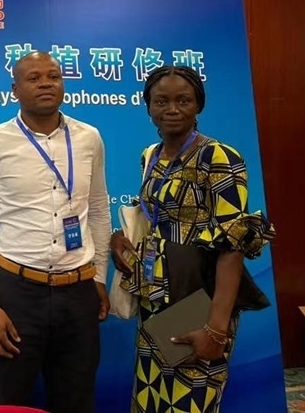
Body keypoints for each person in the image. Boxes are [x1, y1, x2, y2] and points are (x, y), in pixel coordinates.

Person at [110, 65, 276, 413]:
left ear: (198, 104)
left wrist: (216, 329)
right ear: (148, 106)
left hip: (199, 296)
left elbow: (232, 246)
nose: (172, 109)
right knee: (151, 398)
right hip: (156, 294)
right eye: (161, 101)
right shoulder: (150, 155)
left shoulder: (219, 157)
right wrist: (119, 237)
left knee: (190, 400)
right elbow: (154, 214)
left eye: (183, 100)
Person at [0, 51, 112, 413]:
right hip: (16, 293)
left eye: (53, 76)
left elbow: (98, 210)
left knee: (77, 398)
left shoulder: (89, 138)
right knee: (6, 401)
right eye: (34, 78)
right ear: (15, 89)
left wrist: (99, 278)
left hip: (78, 291)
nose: (46, 84)